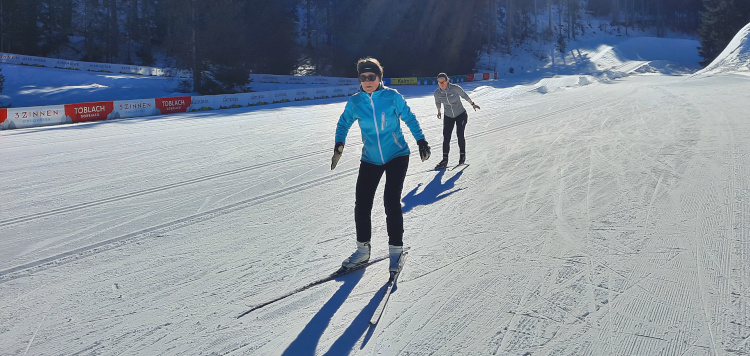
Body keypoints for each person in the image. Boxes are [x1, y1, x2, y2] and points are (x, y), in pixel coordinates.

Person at [330, 57, 431, 272]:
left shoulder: (392, 97)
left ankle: (396, 251)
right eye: (363, 77)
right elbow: (344, 122)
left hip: (397, 154)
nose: (367, 81)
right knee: (362, 204)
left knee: (391, 201)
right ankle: (362, 251)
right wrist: (340, 142)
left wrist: (421, 140)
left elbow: (409, 118)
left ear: (380, 77)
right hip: (370, 158)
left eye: (371, 76)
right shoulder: (356, 102)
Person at [433, 72, 480, 169]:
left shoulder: (455, 88)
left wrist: (473, 104)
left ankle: (462, 156)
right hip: (448, 116)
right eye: (439, 82)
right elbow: (437, 102)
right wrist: (439, 111)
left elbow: (464, 95)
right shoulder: (437, 93)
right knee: (446, 137)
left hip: (460, 114)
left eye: (443, 82)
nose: (441, 84)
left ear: (447, 81)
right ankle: (444, 160)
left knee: (460, 134)